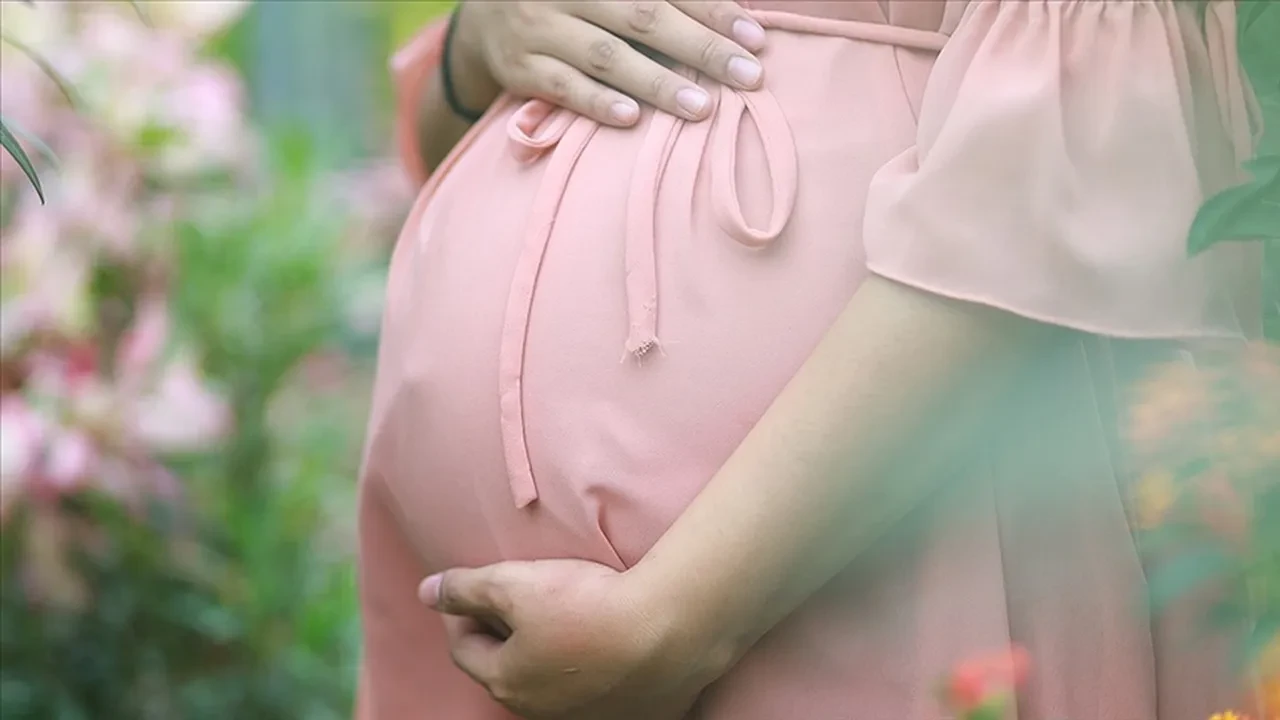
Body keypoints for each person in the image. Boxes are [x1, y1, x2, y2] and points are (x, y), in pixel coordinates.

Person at [357, 1, 1264, 718]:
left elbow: (1067, 172)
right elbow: (447, 130)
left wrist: (672, 624)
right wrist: (475, 41)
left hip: (875, 547)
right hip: (481, 658)